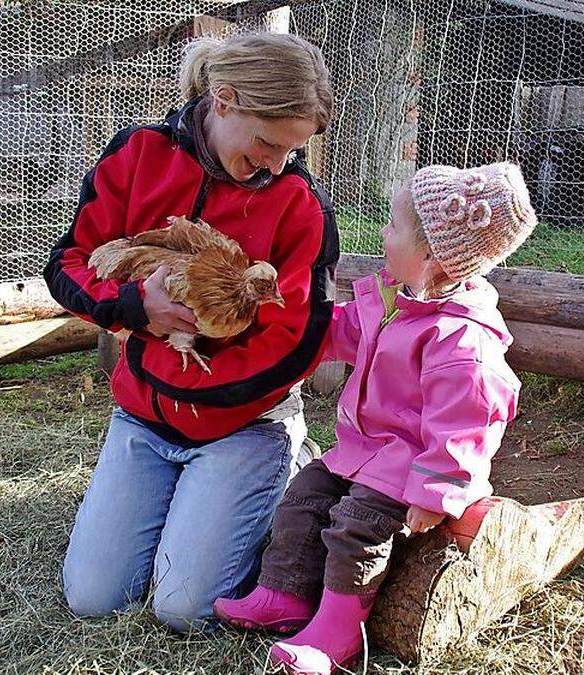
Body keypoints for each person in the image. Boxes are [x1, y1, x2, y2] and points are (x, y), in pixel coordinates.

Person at [43, 32, 337, 632]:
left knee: (185, 608)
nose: (278, 163)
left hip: (243, 424)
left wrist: (182, 386)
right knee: (95, 597)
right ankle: (197, 501)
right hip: (143, 422)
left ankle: (285, 469)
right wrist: (132, 307)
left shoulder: (298, 203)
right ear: (223, 100)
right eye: (268, 142)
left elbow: (297, 341)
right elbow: (69, 262)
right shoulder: (138, 155)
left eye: (293, 150)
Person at [214, 162, 537, 673]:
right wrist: (293, 332)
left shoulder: (461, 340)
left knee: (356, 527)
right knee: (304, 496)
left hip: (408, 466)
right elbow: (342, 333)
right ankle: (284, 594)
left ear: (431, 256)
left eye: (392, 227)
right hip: (360, 452)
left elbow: (468, 425)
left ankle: (338, 631)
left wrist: (436, 493)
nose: (383, 235)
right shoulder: (393, 298)